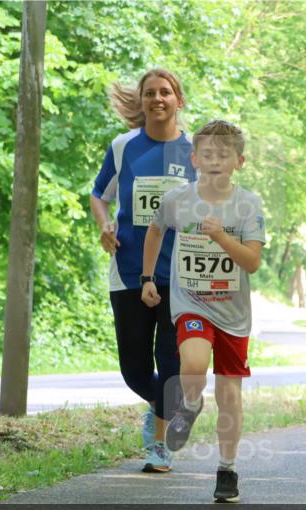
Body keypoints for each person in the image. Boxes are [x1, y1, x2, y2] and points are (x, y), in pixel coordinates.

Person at [141, 120, 265, 503]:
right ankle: (191, 403)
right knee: (192, 362)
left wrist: (221, 237)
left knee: (230, 395)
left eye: (223, 155)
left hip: (233, 313)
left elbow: (252, 262)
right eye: (207, 154)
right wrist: (147, 277)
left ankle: (227, 470)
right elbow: (155, 230)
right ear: (194, 158)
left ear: (238, 161)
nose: (214, 161)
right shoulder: (178, 199)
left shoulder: (247, 204)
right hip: (191, 303)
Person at [90, 68, 196, 473]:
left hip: (180, 273)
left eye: (165, 92)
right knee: (134, 369)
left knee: (170, 362)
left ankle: (160, 446)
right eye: (149, 92)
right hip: (130, 268)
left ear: (178, 100)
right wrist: (104, 224)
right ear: (143, 100)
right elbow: (99, 194)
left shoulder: (194, 153)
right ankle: (167, 409)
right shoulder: (123, 147)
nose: (157, 99)